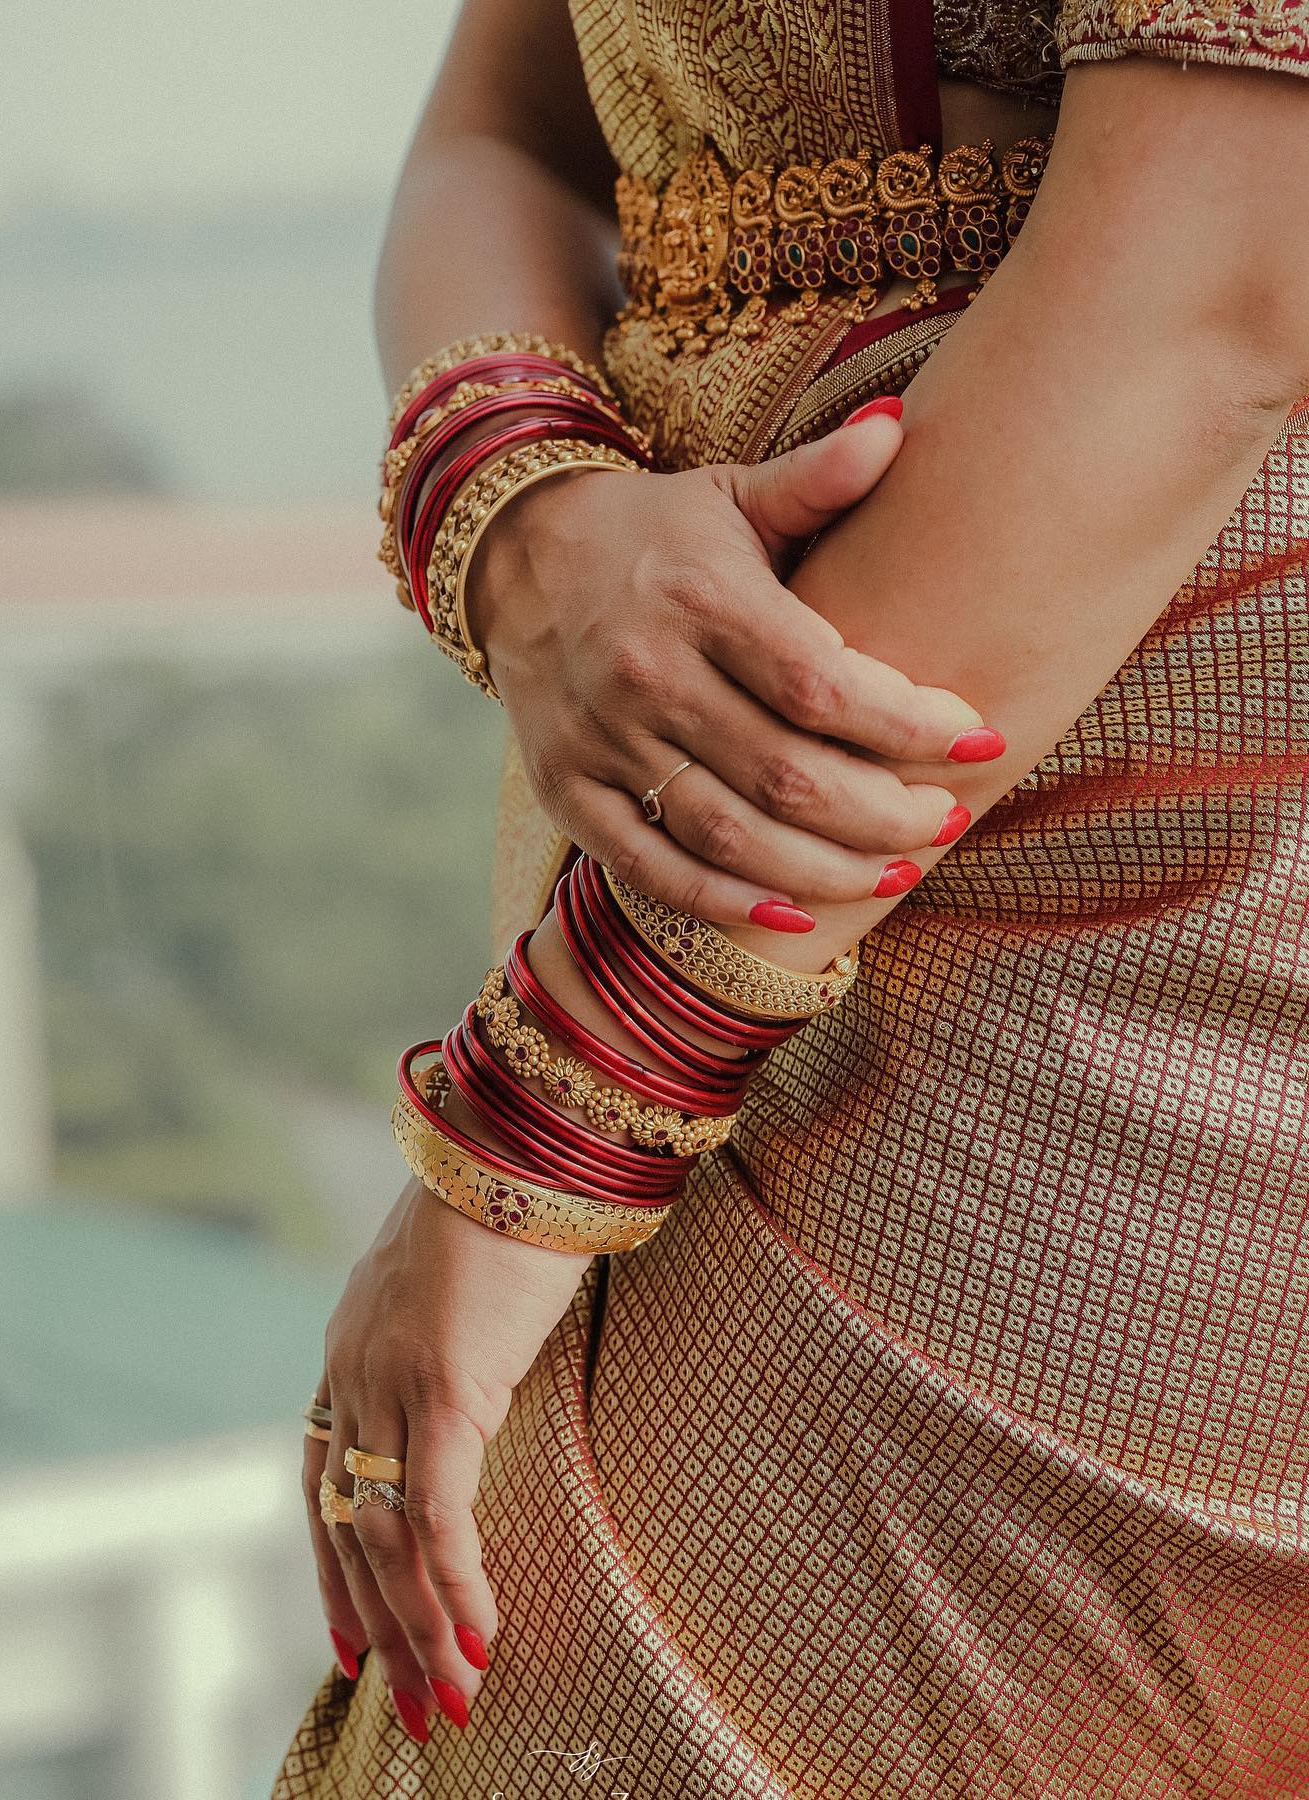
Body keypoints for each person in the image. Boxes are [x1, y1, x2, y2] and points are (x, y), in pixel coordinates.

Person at [274, 0, 1309, 1790]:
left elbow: (1217, 296)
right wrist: (519, 506)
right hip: (675, 865)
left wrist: (552, 1124)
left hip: (1152, 908)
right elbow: (506, 127)